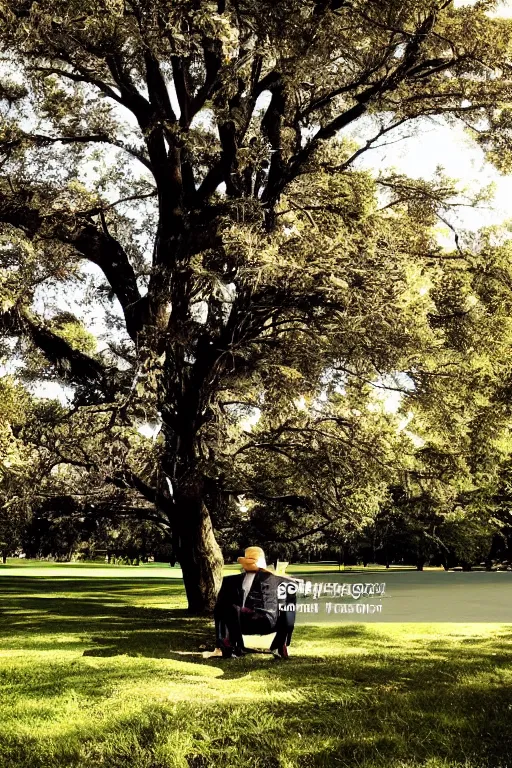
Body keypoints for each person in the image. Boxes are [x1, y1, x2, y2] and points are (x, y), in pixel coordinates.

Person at [213, 546, 296, 659]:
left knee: (225, 607)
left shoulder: (231, 581)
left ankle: (228, 646)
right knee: (225, 606)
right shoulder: (280, 581)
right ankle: (229, 646)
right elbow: (289, 613)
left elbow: (219, 611)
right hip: (262, 621)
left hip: (252, 622)